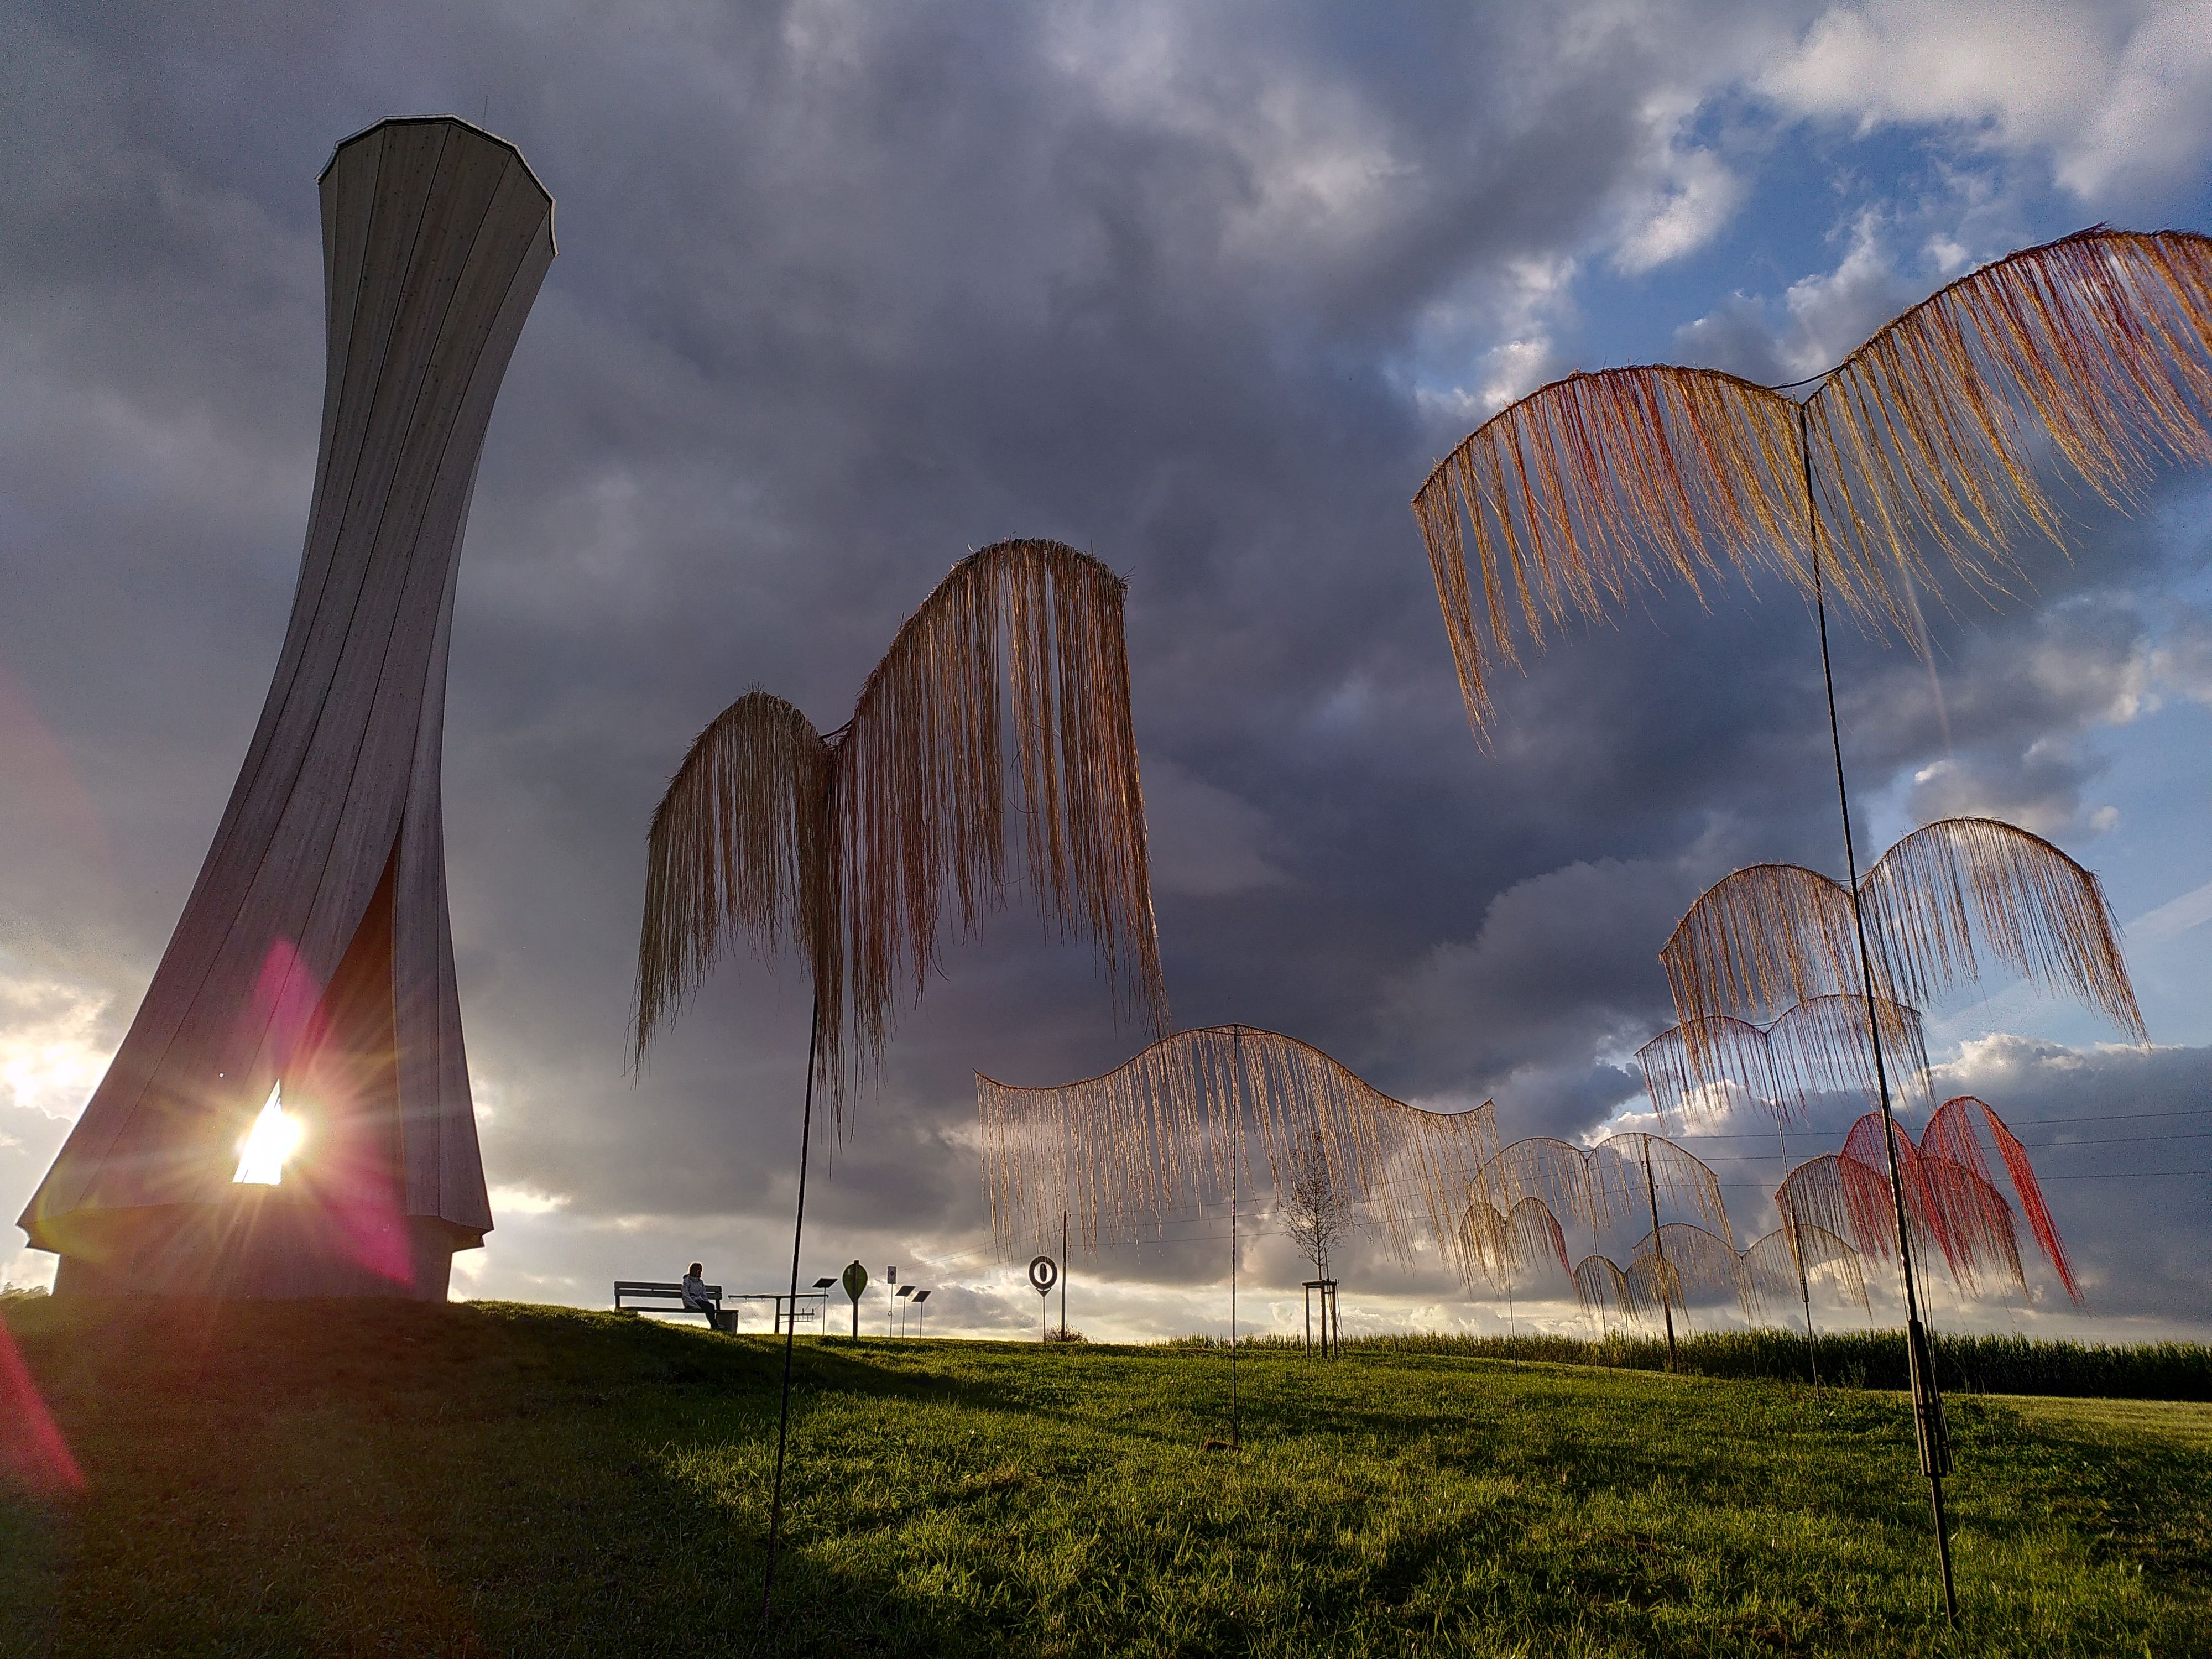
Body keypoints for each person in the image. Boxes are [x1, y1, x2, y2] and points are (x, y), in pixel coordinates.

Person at [680, 1262, 723, 1331]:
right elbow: (686, 1296)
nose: (699, 1272)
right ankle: (715, 1326)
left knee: (711, 1306)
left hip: (700, 1302)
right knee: (708, 1307)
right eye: (697, 1269)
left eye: (700, 1270)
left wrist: (706, 1302)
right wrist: (694, 1305)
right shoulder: (687, 1281)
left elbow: (704, 1295)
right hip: (691, 1303)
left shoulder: (700, 1282)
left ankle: (715, 1326)